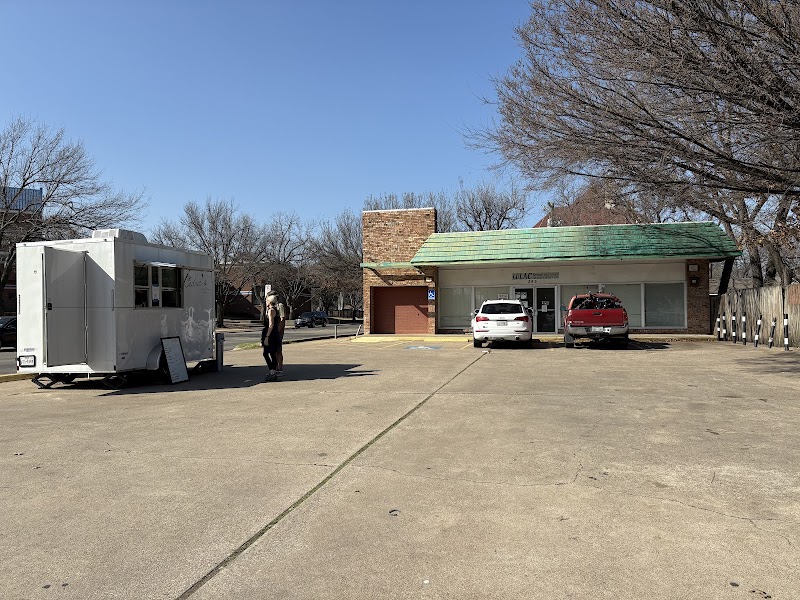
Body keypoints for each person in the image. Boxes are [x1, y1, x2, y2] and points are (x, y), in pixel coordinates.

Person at [266, 293, 286, 376]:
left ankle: (279, 368)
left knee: (278, 350)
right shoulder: (270, 308)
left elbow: (282, 319)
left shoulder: (279, 306)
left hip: (277, 331)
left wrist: (278, 331)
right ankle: (275, 368)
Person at [261, 299, 280, 382]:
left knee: (267, 353)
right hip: (272, 333)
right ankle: (272, 372)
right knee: (271, 353)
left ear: (270, 301)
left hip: (271, 334)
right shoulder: (271, 310)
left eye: (267, 300)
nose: (266, 302)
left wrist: (267, 337)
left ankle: (272, 371)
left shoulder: (271, 311)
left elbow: (271, 324)